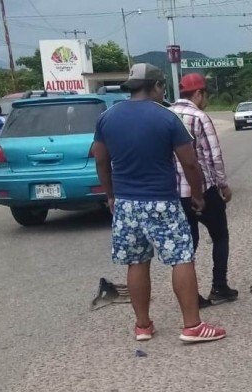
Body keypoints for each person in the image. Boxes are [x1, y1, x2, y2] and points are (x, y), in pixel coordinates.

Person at [92, 63, 226, 343]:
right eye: (162, 86)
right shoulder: (166, 118)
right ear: (156, 86)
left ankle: (142, 326)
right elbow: (189, 162)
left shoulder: (107, 117)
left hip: (127, 203)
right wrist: (199, 195)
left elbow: (101, 160)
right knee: (181, 257)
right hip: (161, 201)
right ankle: (192, 326)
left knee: (137, 262)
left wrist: (111, 195)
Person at [170, 73, 238, 308]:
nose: (206, 100)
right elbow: (213, 155)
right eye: (205, 95)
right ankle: (219, 286)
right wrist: (223, 184)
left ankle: (192, 296)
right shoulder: (199, 117)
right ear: (198, 93)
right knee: (220, 236)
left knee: (188, 245)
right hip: (202, 189)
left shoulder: (167, 115)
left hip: (176, 193)